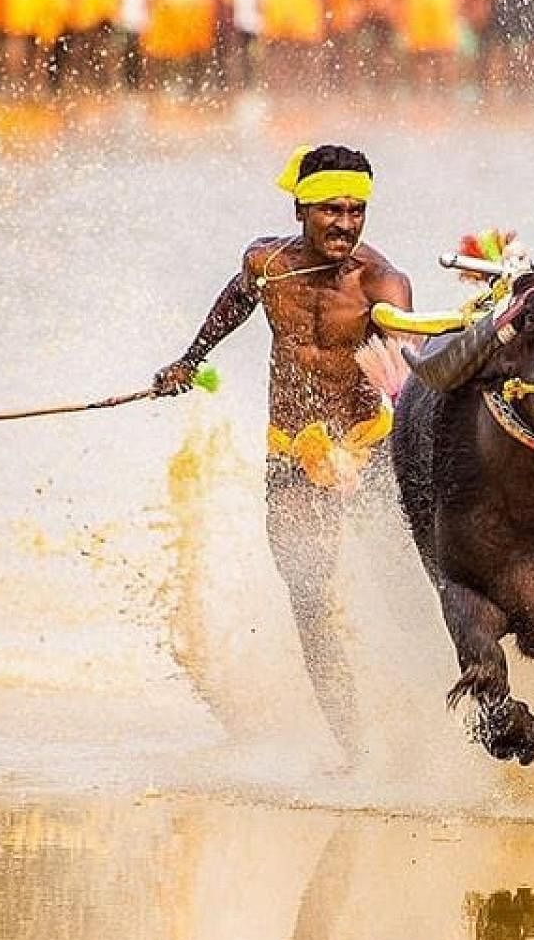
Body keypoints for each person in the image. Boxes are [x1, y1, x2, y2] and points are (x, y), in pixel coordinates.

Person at [152, 144, 412, 761]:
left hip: (366, 450)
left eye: (355, 212)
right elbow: (239, 298)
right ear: (300, 207)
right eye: (330, 211)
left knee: (402, 587)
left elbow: (410, 363)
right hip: (291, 449)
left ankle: (429, 713)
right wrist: (190, 360)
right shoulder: (267, 263)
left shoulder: (383, 284)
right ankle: (355, 750)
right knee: (310, 595)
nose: (345, 225)